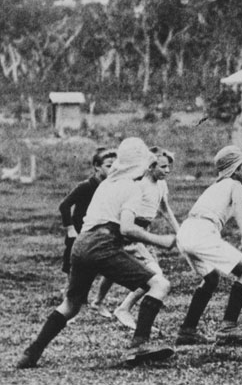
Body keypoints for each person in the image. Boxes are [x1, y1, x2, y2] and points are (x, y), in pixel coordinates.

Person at [16, 138, 177, 369]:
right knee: (159, 285)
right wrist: (161, 240)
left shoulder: (106, 184)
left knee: (71, 305)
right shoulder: (132, 188)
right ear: (140, 165)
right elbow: (127, 228)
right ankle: (139, 346)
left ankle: (30, 354)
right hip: (103, 244)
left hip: (81, 244)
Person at [174, 145, 242, 347]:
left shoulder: (215, 186)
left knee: (211, 278)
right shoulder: (235, 185)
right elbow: (239, 207)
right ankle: (228, 329)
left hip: (186, 232)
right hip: (202, 231)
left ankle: (187, 331)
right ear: (235, 169)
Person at [110, 147, 182, 330]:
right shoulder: (139, 184)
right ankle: (123, 309)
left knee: (153, 276)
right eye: (163, 167)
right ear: (150, 166)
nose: (167, 171)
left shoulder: (161, 184)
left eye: (168, 167)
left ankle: (117, 307)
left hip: (144, 235)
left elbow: (165, 209)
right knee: (154, 276)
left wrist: (179, 231)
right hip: (133, 233)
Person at [57, 147, 116, 317]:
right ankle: (71, 302)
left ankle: (98, 301)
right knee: (73, 269)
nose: (112, 169)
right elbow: (64, 205)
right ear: (97, 167)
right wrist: (70, 228)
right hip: (79, 233)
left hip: (99, 233)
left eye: (115, 166)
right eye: (108, 165)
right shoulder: (86, 186)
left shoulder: (111, 187)